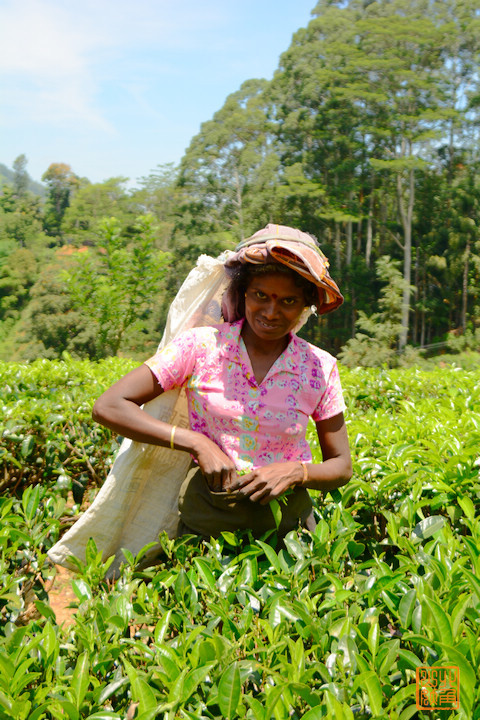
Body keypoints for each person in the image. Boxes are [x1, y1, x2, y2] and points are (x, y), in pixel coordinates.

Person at [91, 223, 352, 540]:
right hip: (207, 524)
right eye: (260, 295)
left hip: (287, 536)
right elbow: (109, 406)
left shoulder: (318, 367)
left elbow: (341, 466)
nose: (271, 312)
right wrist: (196, 443)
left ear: (305, 306)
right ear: (242, 293)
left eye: (288, 301)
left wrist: (296, 471)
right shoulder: (201, 346)